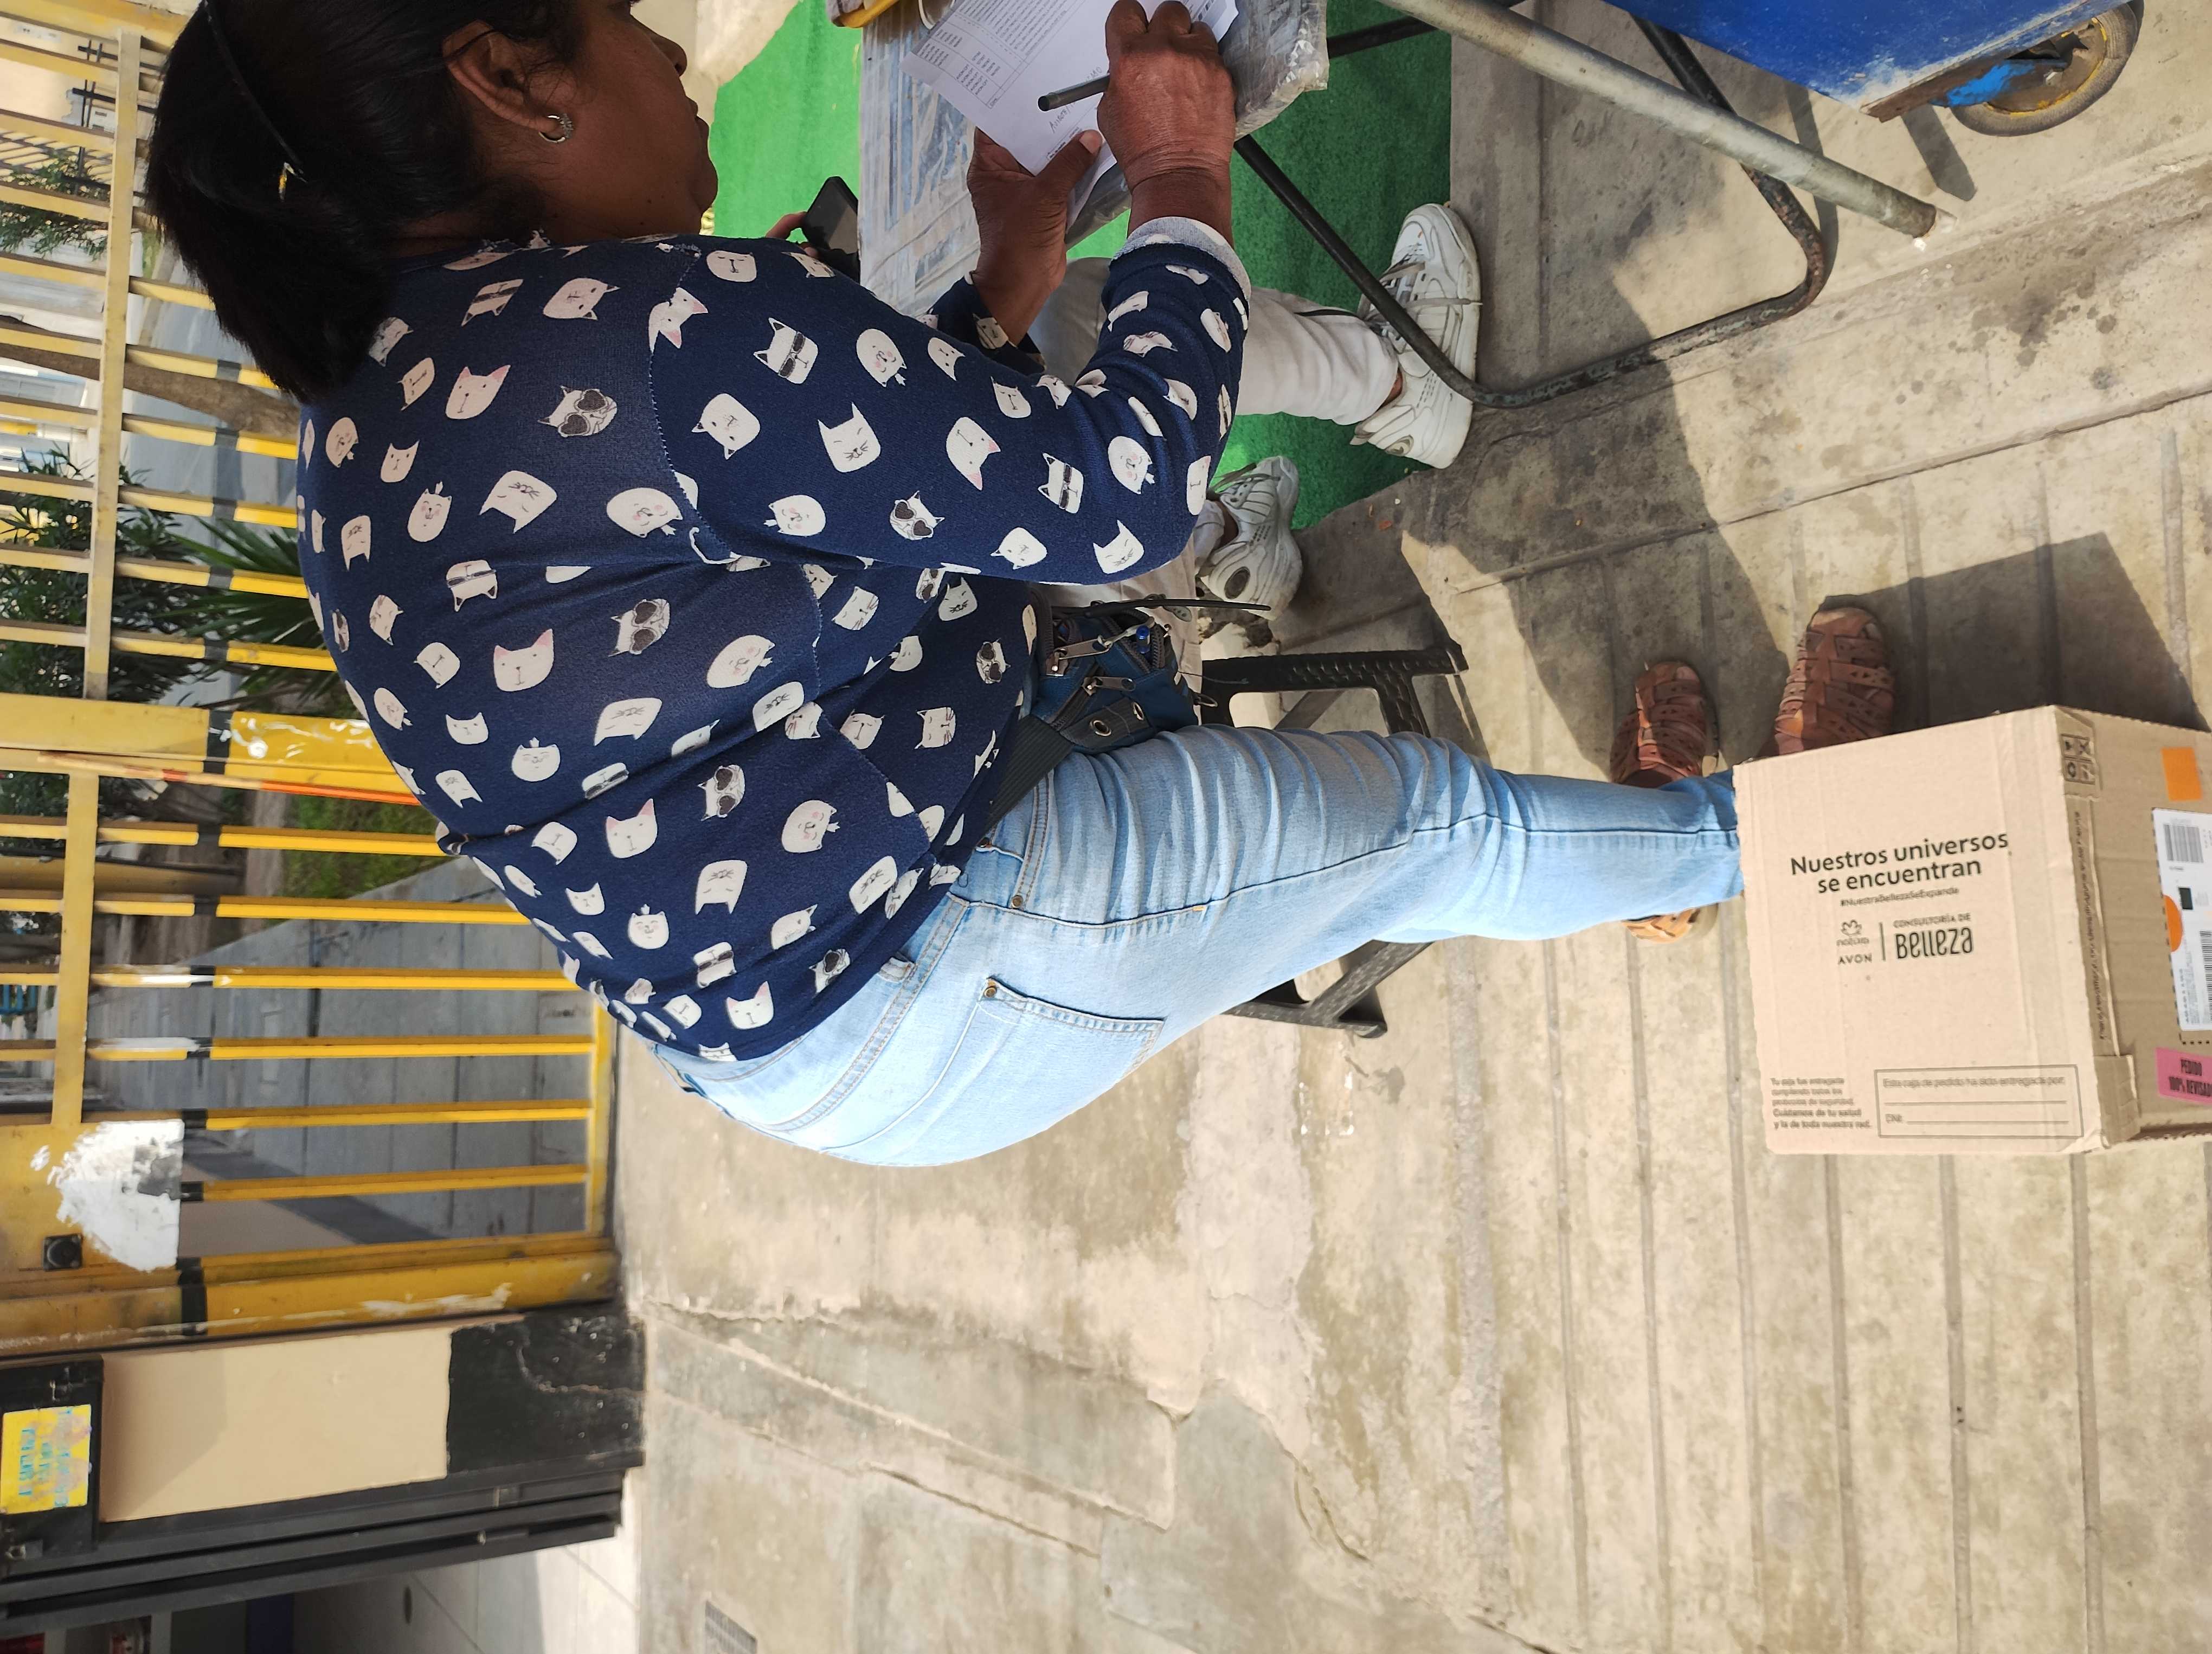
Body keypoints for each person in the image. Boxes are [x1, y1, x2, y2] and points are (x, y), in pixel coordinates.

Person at [147, 0, 1884, 1168]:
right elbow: (1119, 506)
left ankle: (1666, 855)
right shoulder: (640, 328)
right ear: (507, 81)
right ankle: (1785, 850)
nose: (673, 52)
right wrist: (1181, 170)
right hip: (924, 959)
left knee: (1412, 828)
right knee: (1434, 826)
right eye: (615, 16)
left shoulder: (371, 428)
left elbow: (763, 560)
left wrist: (999, 294)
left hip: (803, 1008)